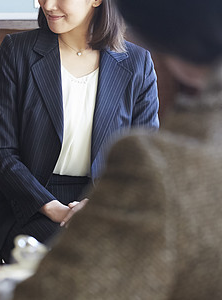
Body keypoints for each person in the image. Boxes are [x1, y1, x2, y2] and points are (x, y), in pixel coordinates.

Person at [12, 0, 222, 298]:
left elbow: (58, 292)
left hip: (96, 195)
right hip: (36, 203)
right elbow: (2, 153)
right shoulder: (18, 50)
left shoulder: (159, 162)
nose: (48, 4)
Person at [0, 0, 160, 265]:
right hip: (30, 201)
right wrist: (54, 209)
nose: (47, 4)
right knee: (77, 258)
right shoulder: (17, 52)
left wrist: (95, 205)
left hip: (104, 201)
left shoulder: (137, 64)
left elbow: (143, 161)